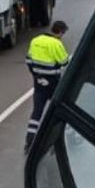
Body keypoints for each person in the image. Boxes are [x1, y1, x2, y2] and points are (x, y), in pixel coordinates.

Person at [24, 20, 70, 153]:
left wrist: (38, 76)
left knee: (37, 112)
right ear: (60, 32)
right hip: (53, 83)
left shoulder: (36, 40)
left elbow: (28, 60)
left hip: (38, 82)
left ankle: (29, 141)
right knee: (60, 109)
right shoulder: (56, 44)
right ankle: (58, 140)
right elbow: (64, 61)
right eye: (63, 33)